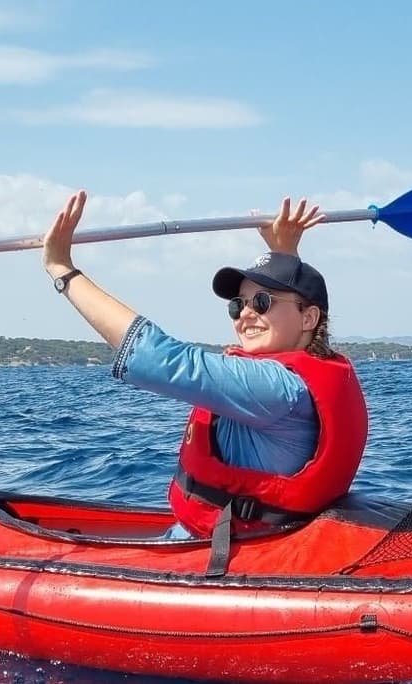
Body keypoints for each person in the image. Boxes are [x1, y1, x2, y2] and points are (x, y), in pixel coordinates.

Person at [37, 191, 369, 548]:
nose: (245, 314)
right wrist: (284, 254)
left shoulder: (277, 388)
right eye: (237, 305)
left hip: (232, 549)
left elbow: (160, 359)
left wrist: (63, 270)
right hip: (254, 536)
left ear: (309, 317)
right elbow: (293, 308)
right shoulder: (307, 370)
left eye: (262, 302)